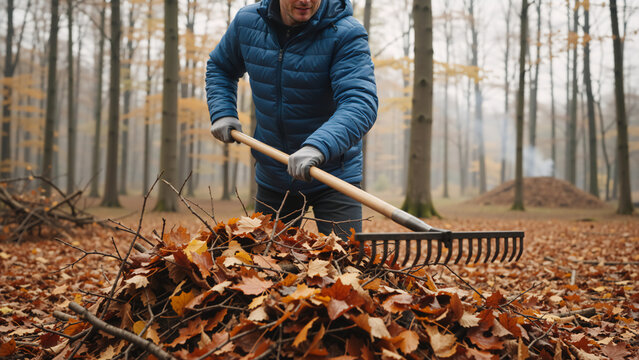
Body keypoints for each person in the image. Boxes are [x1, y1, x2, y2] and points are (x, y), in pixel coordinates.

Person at [206, 0, 377, 239]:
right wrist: (222, 111)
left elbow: (360, 103)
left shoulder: (346, 33)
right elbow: (220, 66)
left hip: (333, 176)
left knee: (345, 266)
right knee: (266, 265)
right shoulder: (248, 23)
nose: (305, 0)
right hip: (274, 175)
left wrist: (318, 146)